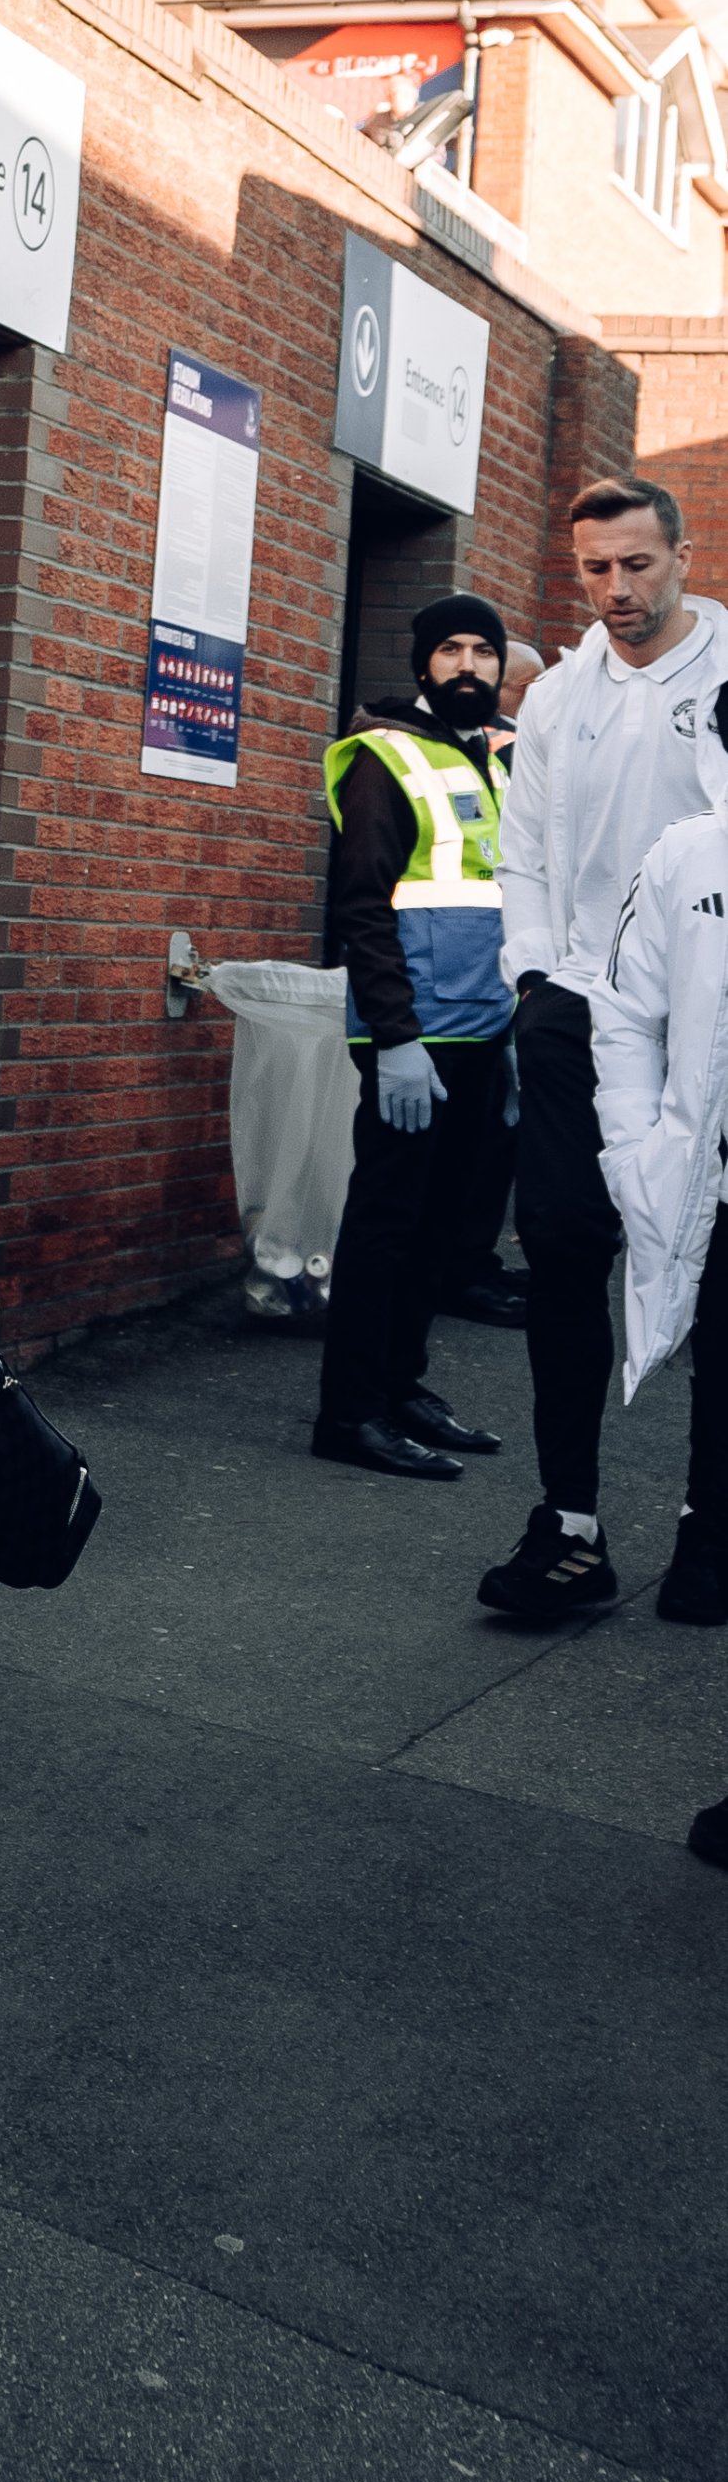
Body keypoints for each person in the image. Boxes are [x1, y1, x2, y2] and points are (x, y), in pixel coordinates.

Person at [479, 475, 728, 1622]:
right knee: (567, 1255)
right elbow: (521, 850)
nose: (616, 589)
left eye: (636, 564)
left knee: (713, 1271)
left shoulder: (725, 672)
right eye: (594, 569)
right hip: (577, 1009)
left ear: (681, 555)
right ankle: (568, 1528)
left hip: (706, 1016)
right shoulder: (557, 696)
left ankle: (709, 1529)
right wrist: (534, 973)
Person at [311, 595, 517, 1475]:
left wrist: (515, 1026)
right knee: (385, 1224)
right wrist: (393, 1037)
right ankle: (348, 1413)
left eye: (481, 650)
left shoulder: (498, 758)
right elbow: (360, 907)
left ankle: (400, 1386)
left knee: (441, 1226)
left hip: (481, 1030)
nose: (467, 664)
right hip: (413, 1038)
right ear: (422, 663)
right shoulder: (382, 757)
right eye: (449, 650)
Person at [578, 691, 728, 1649]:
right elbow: (626, 1012)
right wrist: (634, 1146)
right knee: (718, 1366)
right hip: (711, 1171)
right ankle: (705, 1532)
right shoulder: (686, 854)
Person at [435, 631, 546, 1332]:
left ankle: (467, 1265)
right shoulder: (502, 754)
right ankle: (464, 1269)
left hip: (490, 977)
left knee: (490, 1137)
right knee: (483, 1142)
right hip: (477, 982)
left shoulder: (490, 753)